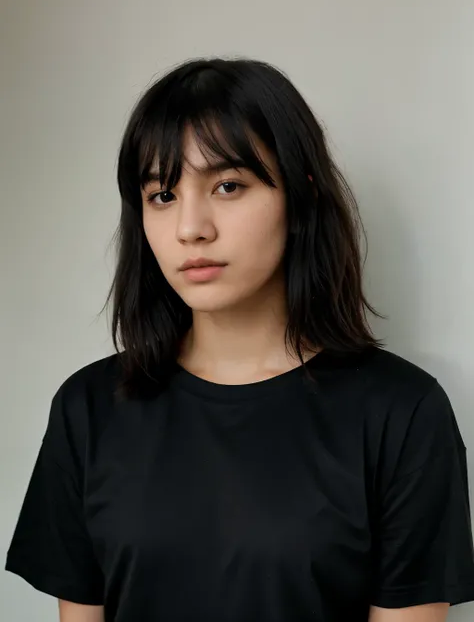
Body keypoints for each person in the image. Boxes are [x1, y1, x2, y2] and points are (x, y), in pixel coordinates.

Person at [5, 57, 474, 622]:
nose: (190, 227)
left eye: (228, 185)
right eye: (162, 195)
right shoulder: (88, 408)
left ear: (299, 200)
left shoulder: (402, 413)